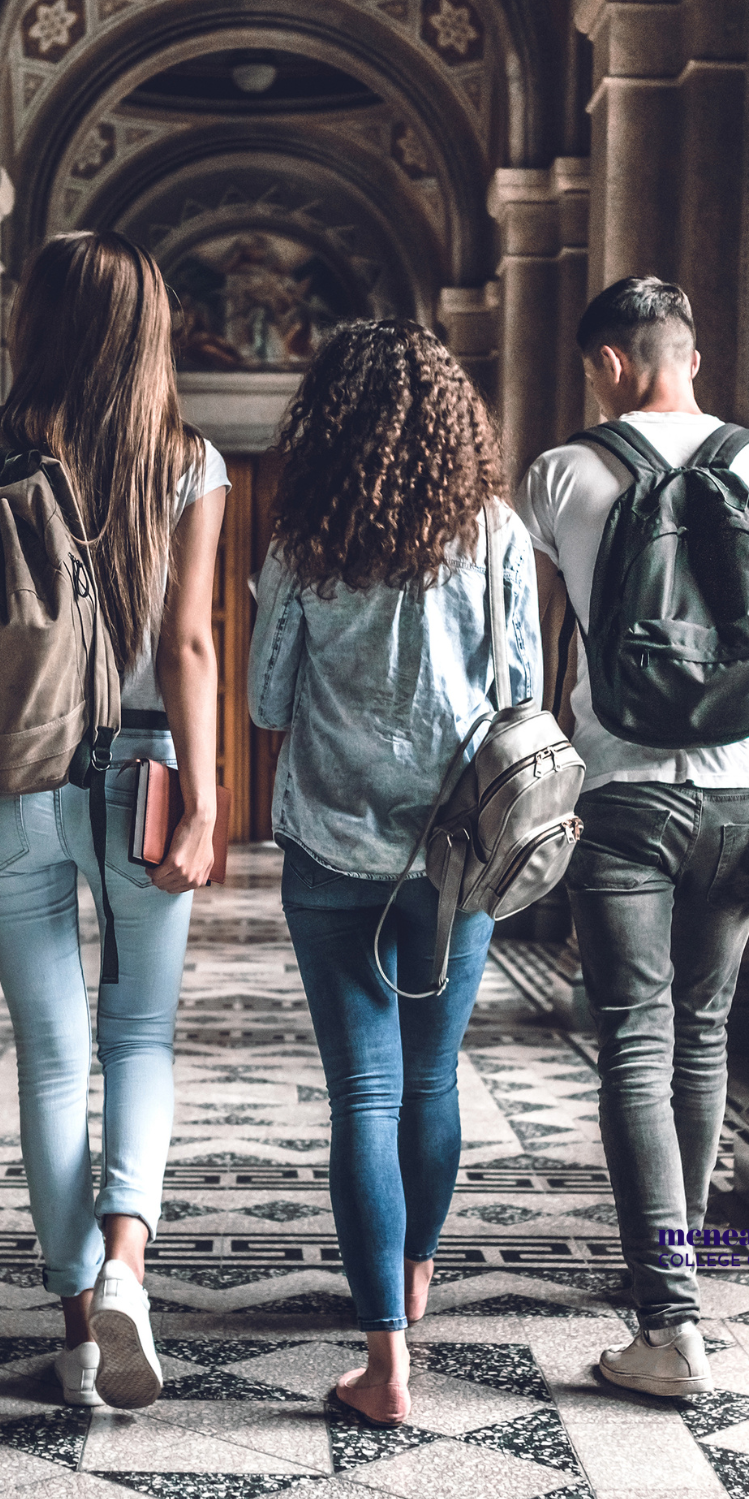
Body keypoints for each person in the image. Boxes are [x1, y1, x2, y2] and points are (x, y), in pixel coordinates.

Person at [517, 276, 749, 1400]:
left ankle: (668, 1313)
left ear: (606, 362)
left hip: (622, 793)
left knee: (635, 1045)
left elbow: (541, 648)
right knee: (701, 1037)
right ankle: (674, 1272)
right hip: (746, 788)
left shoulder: (562, 474)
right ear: (691, 357)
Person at [0, 232, 228, 1411]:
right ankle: (127, 1265)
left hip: (13, 770)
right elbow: (191, 645)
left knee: (53, 1056)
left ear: (43, 321)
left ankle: (76, 1325)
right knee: (140, 1040)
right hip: (143, 768)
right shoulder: (189, 462)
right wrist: (210, 803)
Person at [249, 320, 539, 1427]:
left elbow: (267, 704)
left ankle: (386, 1360)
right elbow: (517, 693)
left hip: (330, 847)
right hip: (459, 851)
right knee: (430, 1079)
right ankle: (414, 1273)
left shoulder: (301, 543)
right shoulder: (493, 532)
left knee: (362, 1094)